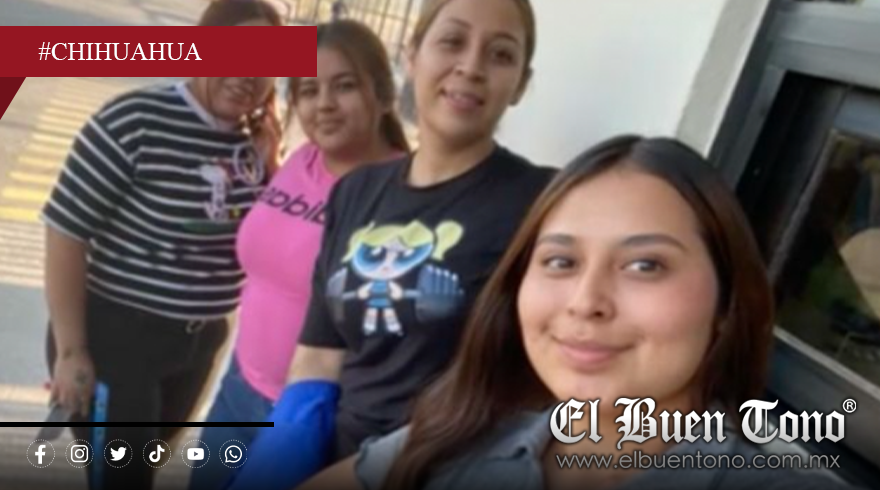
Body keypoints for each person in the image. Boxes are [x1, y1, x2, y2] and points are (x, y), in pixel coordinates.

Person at [302, 136, 859, 490]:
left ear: (726, 302)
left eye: (645, 265)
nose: (585, 301)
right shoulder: (453, 439)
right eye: (560, 261)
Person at [225, 0, 555, 488]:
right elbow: (319, 355)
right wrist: (282, 456)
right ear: (411, 56)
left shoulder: (541, 202)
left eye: (500, 54)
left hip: (439, 471)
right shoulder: (357, 191)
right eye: (452, 42)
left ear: (521, 83)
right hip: (329, 457)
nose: (470, 67)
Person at [41, 2, 283, 489]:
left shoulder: (252, 142)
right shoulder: (135, 120)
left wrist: (271, 164)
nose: (248, 75)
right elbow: (65, 230)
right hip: (118, 340)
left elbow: (265, 243)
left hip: (199, 343)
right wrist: (71, 352)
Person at [188, 19, 410, 490]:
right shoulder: (300, 158)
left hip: (307, 418)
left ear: (382, 95)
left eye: (344, 86)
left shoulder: (401, 193)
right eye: (308, 90)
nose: (323, 103)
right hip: (239, 387)